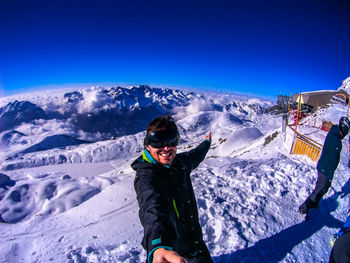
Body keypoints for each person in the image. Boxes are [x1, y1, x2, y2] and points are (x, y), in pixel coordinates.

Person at [132, 115, 213, 263]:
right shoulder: (147, 177)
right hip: (172, 248)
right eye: (158, 141)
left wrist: (206, 143)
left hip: (195, 241)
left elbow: (195, 155)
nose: (167, 147)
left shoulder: (179, 163)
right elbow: (152, 207)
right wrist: (159, 246)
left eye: (172, 140)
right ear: (147, 145)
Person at [299, 117, 350, 216]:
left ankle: (314, 204)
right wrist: (330, 176)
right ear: (344, 128)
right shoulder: (336, 140)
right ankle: (305, 207)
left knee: (323, 188)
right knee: (320, 189)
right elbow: (332, 159)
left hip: (323, 166)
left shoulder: (334, 134)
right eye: (347, 130)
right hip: (325, 168)